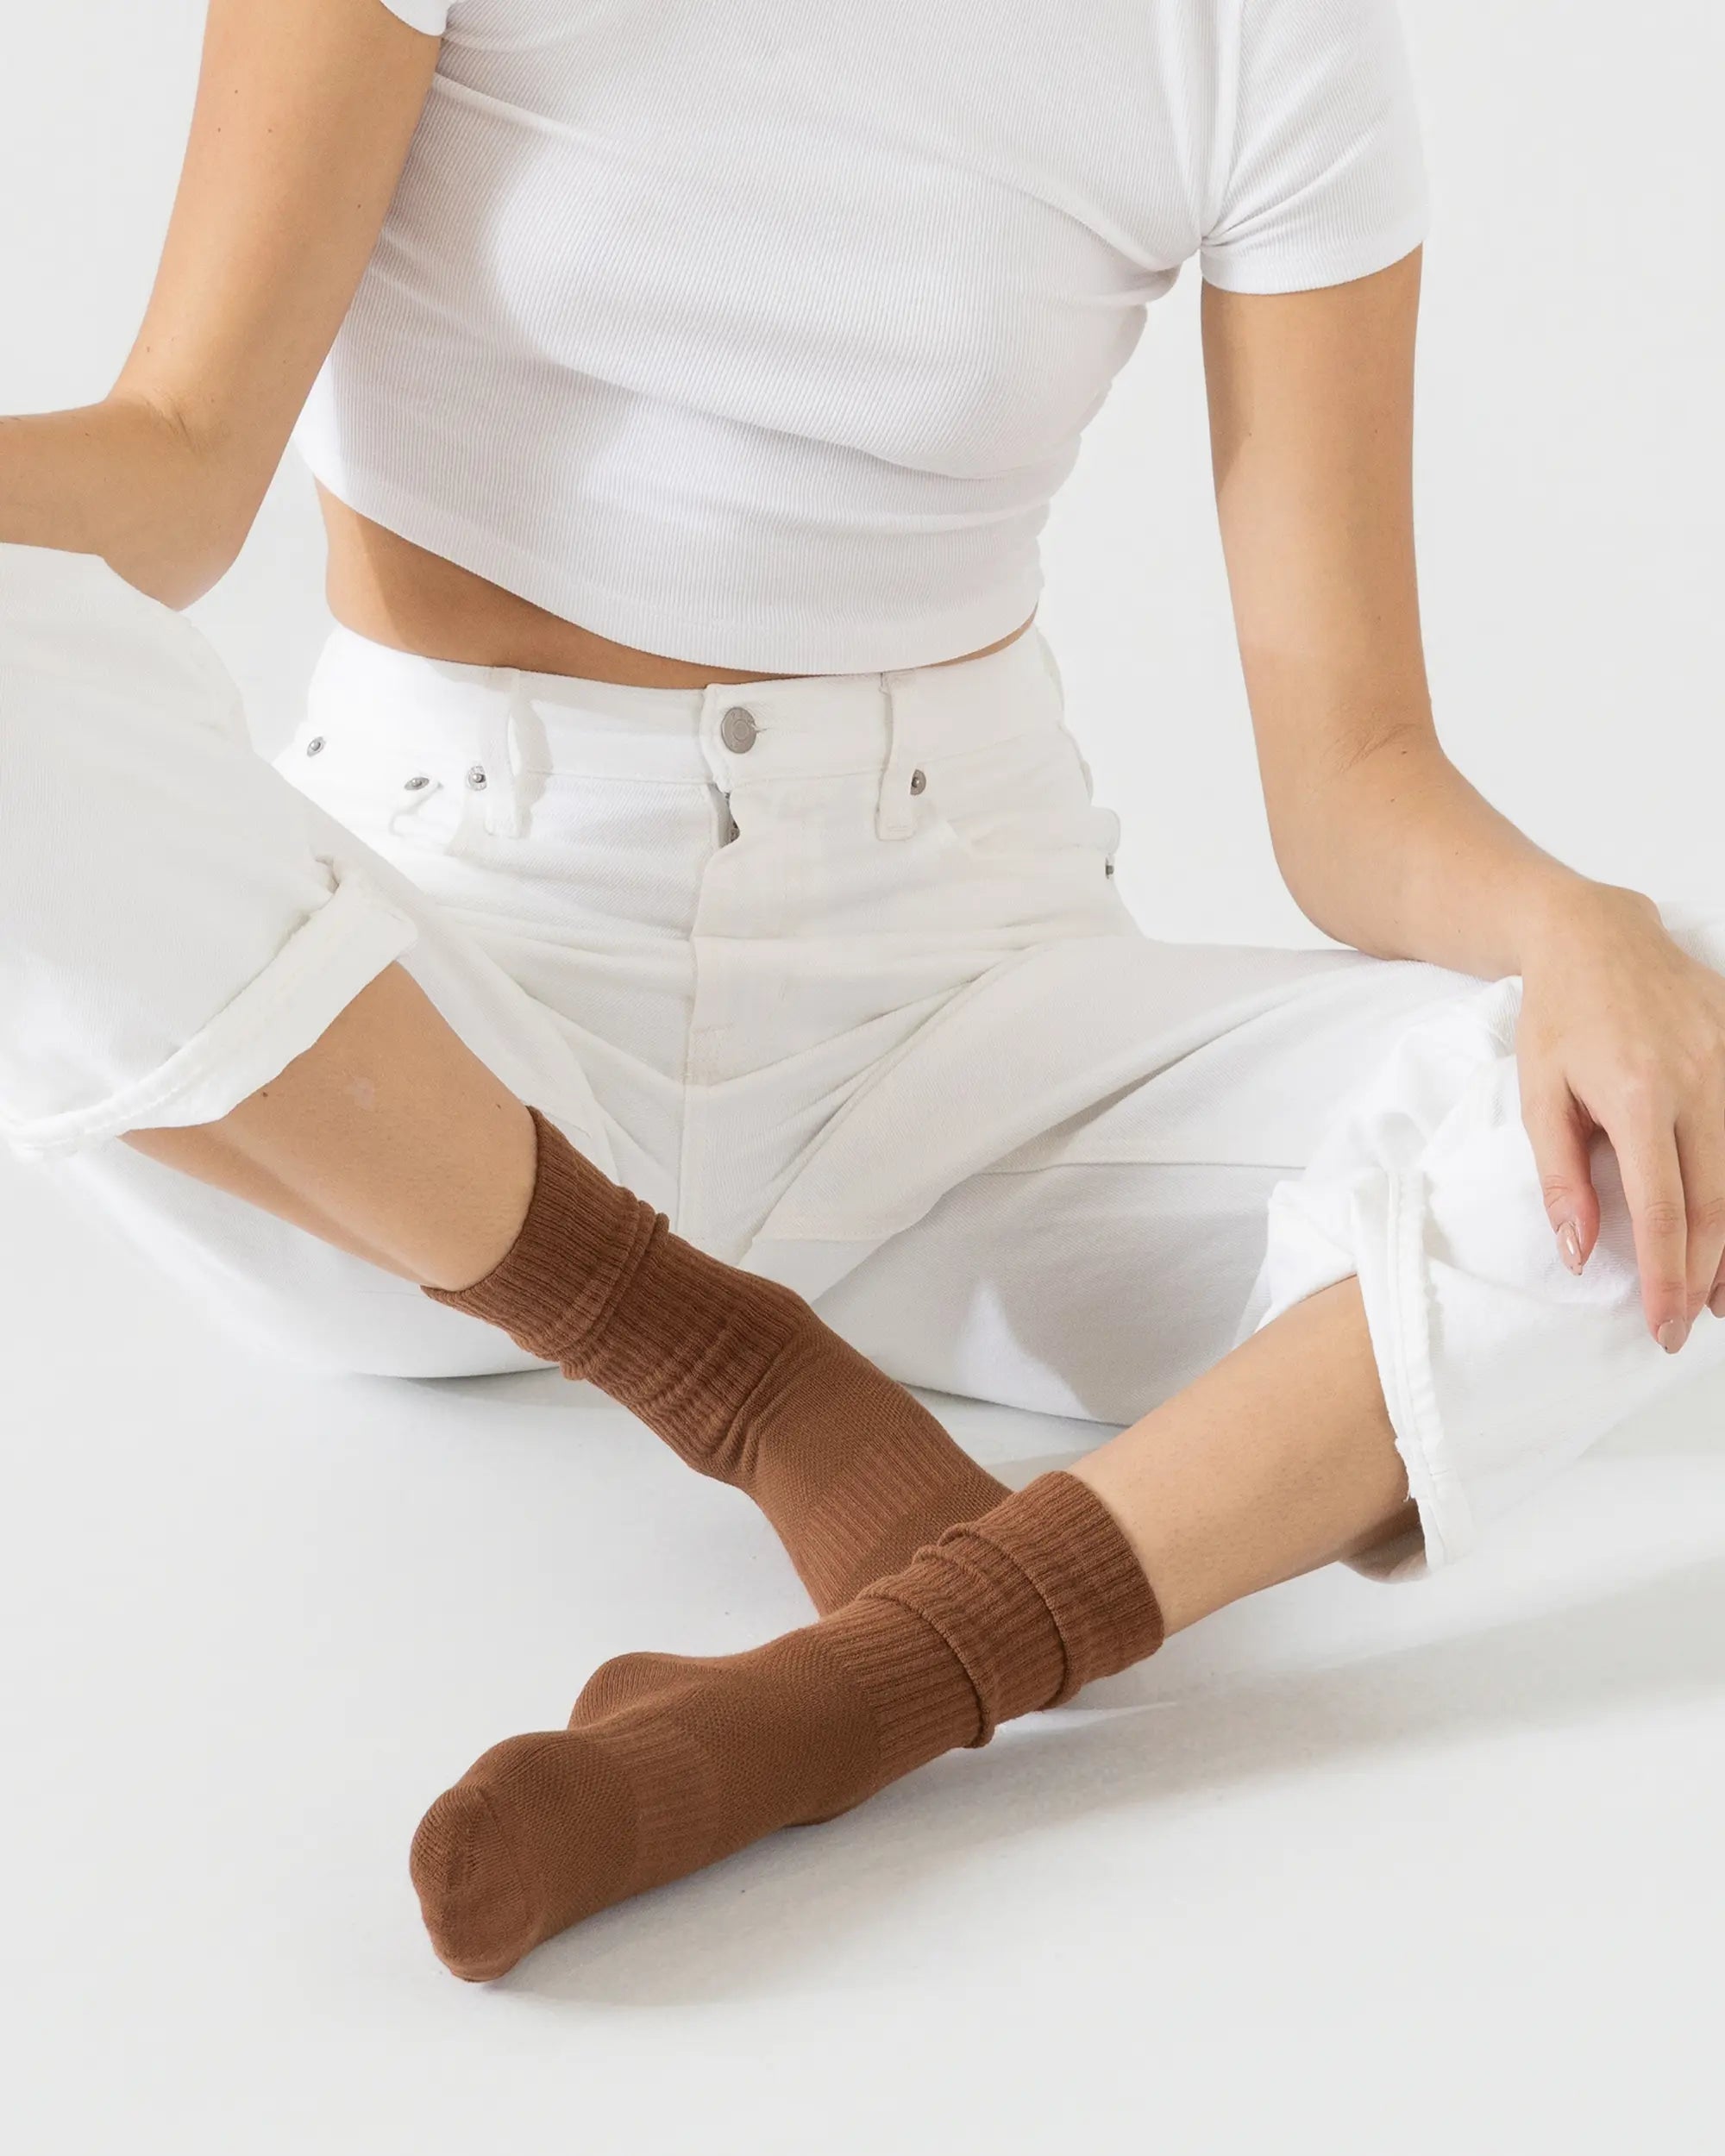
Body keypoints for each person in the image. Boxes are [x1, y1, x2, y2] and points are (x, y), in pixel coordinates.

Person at [4, 0, 1723, 1984]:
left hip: (948, 1015)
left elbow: (1351, 782)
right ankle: (733, 1368)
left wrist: (1580, 926)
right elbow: (173, 473)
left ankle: (858, 1693)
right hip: (423, 1035)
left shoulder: (1265, 31)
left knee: (1667, 1058)